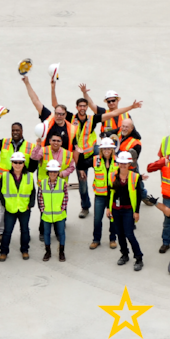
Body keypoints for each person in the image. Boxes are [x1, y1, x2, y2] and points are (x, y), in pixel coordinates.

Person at [53, 82, 141, 219]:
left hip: (106, 150)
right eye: (109, 101)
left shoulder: (95, 118)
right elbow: (57, 107)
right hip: (83, 153)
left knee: (123, 173)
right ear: (77, 107)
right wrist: (56, 87)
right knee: (82, 181)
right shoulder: (72, 118)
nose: (111, 103)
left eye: (114, 100)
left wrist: (132, 107)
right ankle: (85, 207)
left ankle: (133, 197)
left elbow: (119, 115)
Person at [31, 132, 75, 241]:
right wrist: (38, 145)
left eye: (58, 141)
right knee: (44, 210)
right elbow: (34, 156)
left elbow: (71, 167)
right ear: (50, 141)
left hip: (60, 187)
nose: (55, 143)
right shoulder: (43, 150)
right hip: (44, 187)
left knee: (60, 209)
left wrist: (62, 174)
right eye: (53, 140)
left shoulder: (68, 154)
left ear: (62, 142)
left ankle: (59, 231)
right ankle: (43, 231)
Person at [105, 152, 146, 271]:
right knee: (119, 234)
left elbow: (138, 196)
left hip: (128, 209)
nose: (122, 165)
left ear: (129, 164)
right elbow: (109, 192)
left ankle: (139, 258)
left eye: (125, 163)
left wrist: (137, 211)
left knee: (129, 234)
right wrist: (108, 208)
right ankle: (124, 254)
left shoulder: (135, 176)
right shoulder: (112, 175)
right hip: (116, 209)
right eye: (120, 163)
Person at [0, 152, 36, 261]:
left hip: (24, 208)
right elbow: (0, 191)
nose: (18, 164)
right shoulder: (5, 176)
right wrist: (5, 204)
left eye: (20, 162)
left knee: (24, 230)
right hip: (10, 209)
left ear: (24, 164)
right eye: (15, 162)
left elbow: (33, 191)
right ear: (12, 163)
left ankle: (25, 250)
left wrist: (30, 204)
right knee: (7, 231)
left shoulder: (29, 175)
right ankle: (3, 252)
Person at [23, 75, 74, 151]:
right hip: (46, 159)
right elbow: (36, 101)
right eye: (57, 113)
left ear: (65, 115)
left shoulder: (71, 128)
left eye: (61, 114)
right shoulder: (48, 117)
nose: (59, 116)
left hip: (62, 161)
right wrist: (27, 83)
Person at [90, 138, 119, 250]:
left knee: (113, 218)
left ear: (112, 149)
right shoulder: (95, 160)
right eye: (104, 148)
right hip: (100, 195)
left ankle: (112, 239)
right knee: (97, 218)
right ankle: (96, 239)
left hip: (113, 194)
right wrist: (81, 170)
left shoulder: (118, 161)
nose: (107, 150)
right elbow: (82, 164)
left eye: (109, 148)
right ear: (101, 150)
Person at [39, 160, 68, 262]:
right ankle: (48, 252)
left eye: (55, 171)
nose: (53, 173)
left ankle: (61, 252)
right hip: (46, 214)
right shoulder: (42, 183)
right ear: (48, 172)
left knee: (61, 233)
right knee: (46, 233)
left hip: (59, 214)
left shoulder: (62, 183)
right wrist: (43, 209)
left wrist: (62, 208)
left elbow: (65, 197)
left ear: (58, 172)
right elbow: (40, 197)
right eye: (51, 171)